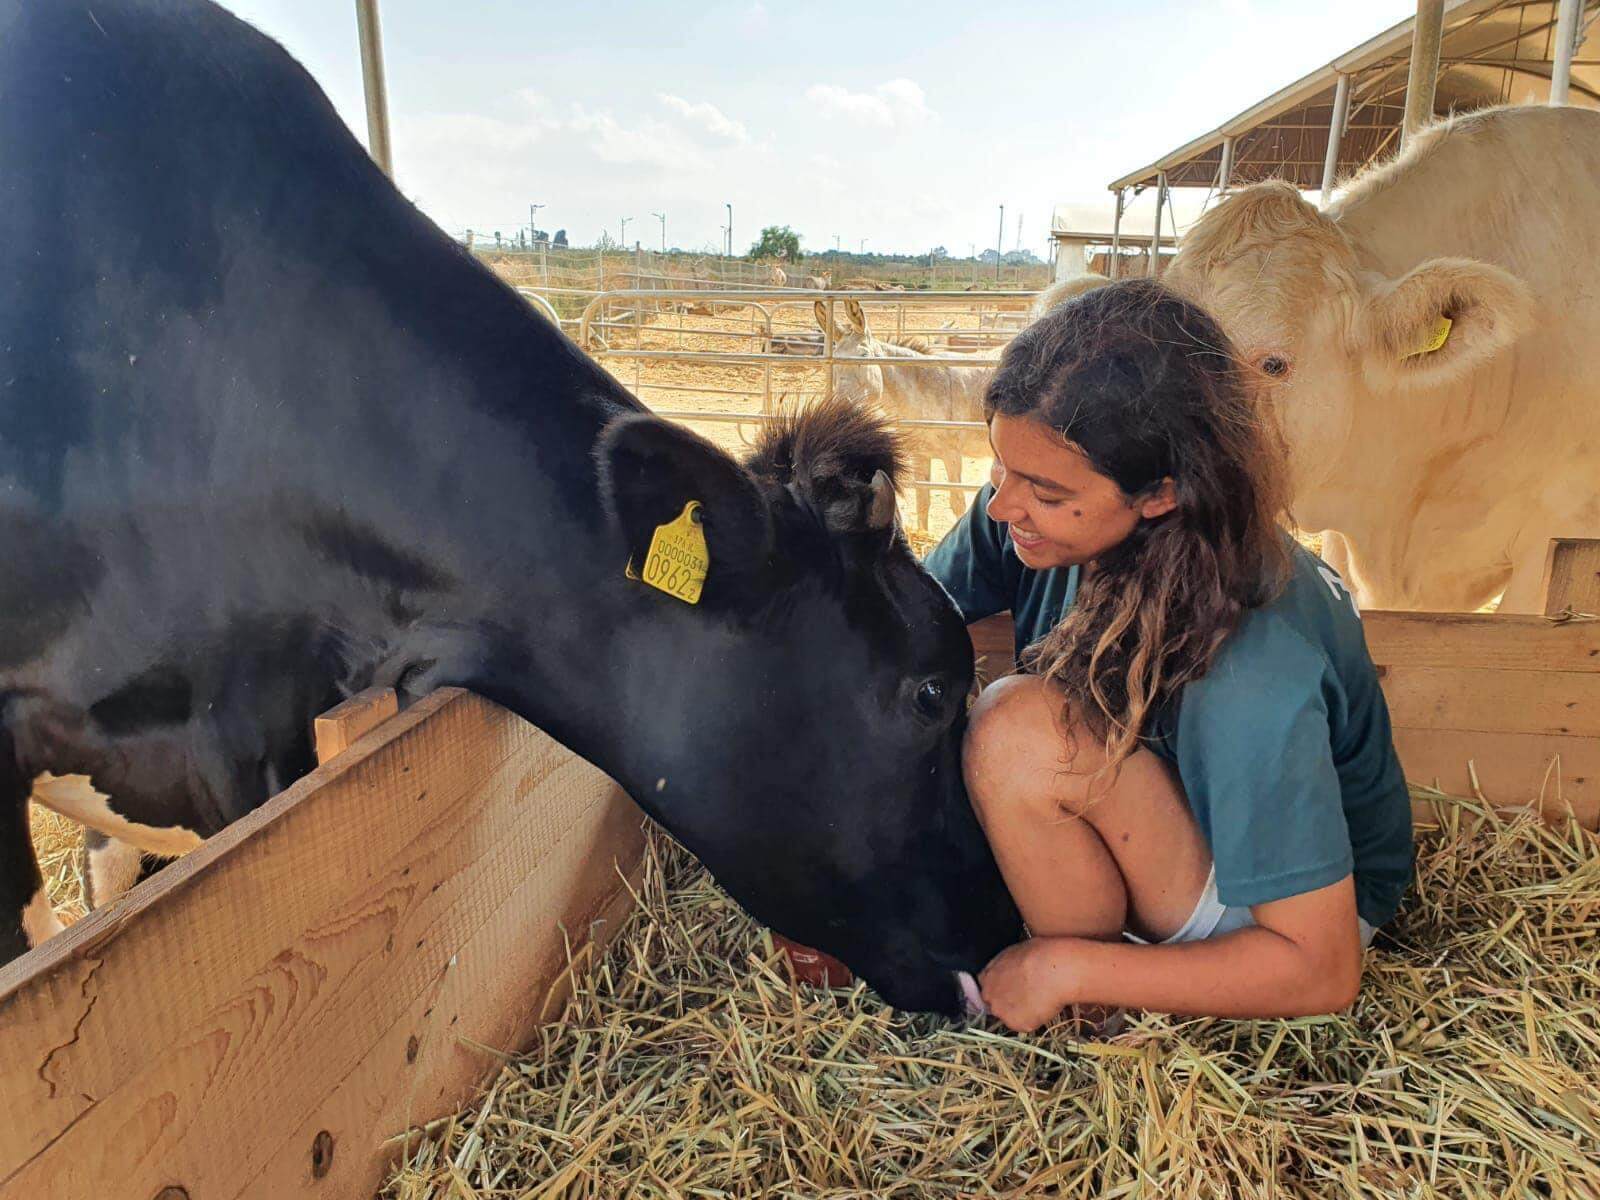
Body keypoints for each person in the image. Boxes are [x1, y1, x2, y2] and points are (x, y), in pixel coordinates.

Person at [923, 279, 1413, 1033]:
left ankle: (1096, 1006)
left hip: (1290, 922)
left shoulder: (1252, 663)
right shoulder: (1032, 510)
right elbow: (908, 623)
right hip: (1175, 818)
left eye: (1046, 492)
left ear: (1161, 493)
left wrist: (1065, 966)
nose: (1002, 508)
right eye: (1000, 468)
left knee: (1018, 733)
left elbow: (1322, 967)